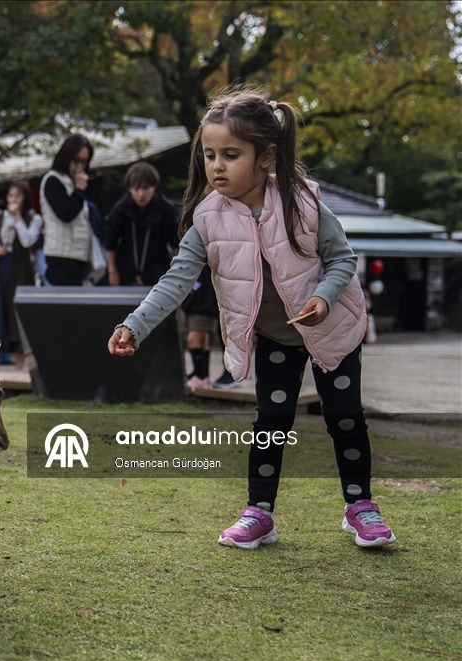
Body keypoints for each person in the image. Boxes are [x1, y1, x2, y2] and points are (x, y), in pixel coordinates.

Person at [107, 87, 395, 550]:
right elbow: (175, 281)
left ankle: (360, 506)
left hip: (332, 330)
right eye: (209, 155)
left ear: (266, 156)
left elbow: (342, 259)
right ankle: (259, 513)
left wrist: (323, 298)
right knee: (270, 425)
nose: (216, 166)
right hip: (276, 338)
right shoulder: (207, 219)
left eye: (231, 155)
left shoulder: (303, 202)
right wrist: (134, 325)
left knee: (345, 419)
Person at [0, 180, 42, 365]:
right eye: (10, 195)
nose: (13, 200)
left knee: (17, 314)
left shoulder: (34, 218)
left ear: (25, 198)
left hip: (21, 271)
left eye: (18, 196)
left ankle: (22, 364)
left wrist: (18, 218)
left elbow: (28, 241)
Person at [103, 162, 179, 286]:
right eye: (136, 189)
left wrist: (174, 273)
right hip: (126, 268)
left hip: (158, 268)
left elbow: (175, 244)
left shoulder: (166, 208)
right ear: (130, 188)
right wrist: (112, 271)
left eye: (146, 188)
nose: (141, 194)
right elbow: (110, 241)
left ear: (154, 187)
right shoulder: (121, 208)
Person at [40, 134, 94, 286]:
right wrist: (79, 190)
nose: (79, 167)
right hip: (61, 255)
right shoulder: (53, 180)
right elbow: (66, 214)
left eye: (84, 162)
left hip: (78, 255)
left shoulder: (71, 183)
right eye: (76, 160)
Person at [181, 265, 219, 390]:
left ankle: (199, 376)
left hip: (203, 308)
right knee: (202, 339)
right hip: (196, 308)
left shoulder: (207, 268)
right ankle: (203, 375)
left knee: (193, 340)